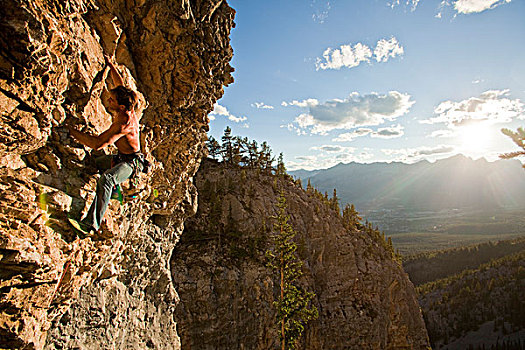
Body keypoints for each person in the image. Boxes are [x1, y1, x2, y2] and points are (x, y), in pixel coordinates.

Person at [67, 54, 143, 236]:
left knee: (106, 179)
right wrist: (111, 65)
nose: (109, 100)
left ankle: (91, 225)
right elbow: (120, 84)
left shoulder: (124, 124)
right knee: (93, 163)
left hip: (130, 165)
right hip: (119, 159)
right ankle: (114, 191)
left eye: (112, 100)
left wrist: (72, 132)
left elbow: (98, 144)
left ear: (122, 108)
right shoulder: (130, 103)